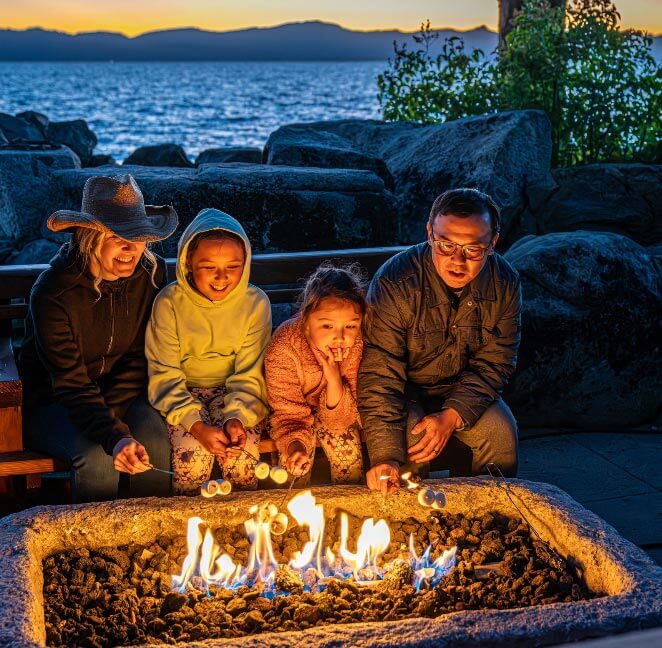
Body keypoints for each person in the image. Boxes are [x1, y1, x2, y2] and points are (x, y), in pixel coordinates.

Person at [19, 174, 178, 502]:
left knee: (156, 442)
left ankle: (153, 543)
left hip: (123, 393)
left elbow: (140, 357)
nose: (131, 248)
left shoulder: (150, 275)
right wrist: (113, 436)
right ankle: (92, 548)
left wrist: (114, 427)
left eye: (138, 236)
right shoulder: (52, 293)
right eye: (118, 235)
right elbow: (70, 382)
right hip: (56, 402)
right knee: (97, 458)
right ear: (90, 237)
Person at [358, 188, 521, 494]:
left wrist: (452, 415)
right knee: (412, 437)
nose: (457, 261)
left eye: (473, 249)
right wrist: (385, 458)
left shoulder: (505, 283)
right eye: (445, 245)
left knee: (501, 432)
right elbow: (380, 373)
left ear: (492, 243)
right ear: (430, 233)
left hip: (466, 390)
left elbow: (496, 362)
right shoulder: (395, 281)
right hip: (405, 391)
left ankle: (493, 517)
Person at [145, 208, 271, 495]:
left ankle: (244, 527)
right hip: (182, 393)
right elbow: (164, 374)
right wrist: (197, 426)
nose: (221, 276)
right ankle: (189, 526)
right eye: (208, 266)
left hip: (235, 392)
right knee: (193, 452)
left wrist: (235, 418)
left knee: (241, 454)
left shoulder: (255, 304)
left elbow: (251, 373)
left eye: (233, 266)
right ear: (188, 263)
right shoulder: (169, 303)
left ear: (245, 263)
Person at [265, 264, 366, 485]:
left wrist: (334, 379)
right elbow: (287, 413)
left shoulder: (356, 346)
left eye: (350, 326)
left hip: (338, 412)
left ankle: (348, 510)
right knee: (294, 466)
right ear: (306, 321)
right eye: (327, 326)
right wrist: (296, 447)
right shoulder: (284, 347)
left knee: (347, 450)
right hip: (292, 419)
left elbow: (342, 419)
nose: (339, 337)